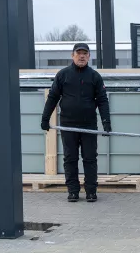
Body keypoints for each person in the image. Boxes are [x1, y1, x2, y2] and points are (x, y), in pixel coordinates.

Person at [40, 43, 111, 203]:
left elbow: (102, 100)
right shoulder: (63, 75)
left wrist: (106, 121)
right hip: (68, 125)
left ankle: (91, 191)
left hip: (88, 126)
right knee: (70, 158)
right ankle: (73, 191)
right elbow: (53, 97)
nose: (81, 56)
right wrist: (45, 118)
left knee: (90, 158)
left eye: (85, 54)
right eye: (78, 53)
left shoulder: (94, 77)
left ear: (89, 57)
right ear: (72, 56)